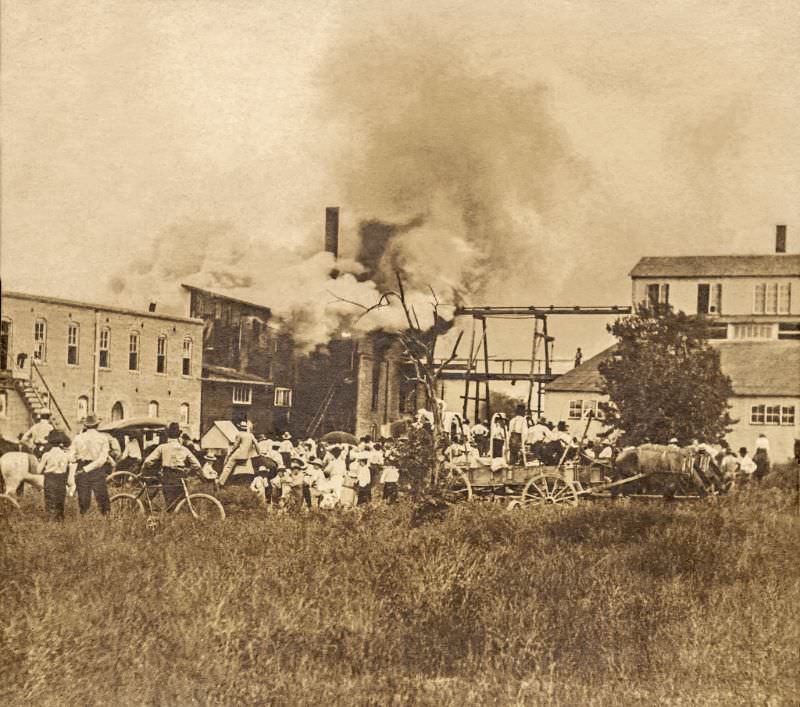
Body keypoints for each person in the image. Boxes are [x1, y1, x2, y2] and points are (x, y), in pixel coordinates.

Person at [142, 422, 202, 511]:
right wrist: (189, 471)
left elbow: (148, 461)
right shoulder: (184, 449)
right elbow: (197, 465)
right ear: (179, 436)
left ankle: (168, 514)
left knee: (169, 500)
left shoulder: (162, 447)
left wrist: (146, 468)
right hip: (180, 476)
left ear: (168, 435)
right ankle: (177, 516)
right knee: (180, 500)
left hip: (167, 475)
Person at [68, 413, 111, 515]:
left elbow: (70, 457)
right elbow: (102, 459)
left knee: (83, 499)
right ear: (97, 425)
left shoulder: (78, 438)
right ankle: (106, 519)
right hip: (97, 470)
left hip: (81, 468)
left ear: (85, 425)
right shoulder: (103, 438)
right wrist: (88, 467)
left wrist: (78, 460)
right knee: (102, 498)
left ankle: (84, 519)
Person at [38, 429, 74, 521]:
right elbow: (68, 467)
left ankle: (50, 519)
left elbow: (38, 471)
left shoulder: (46, 455)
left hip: (50, 479)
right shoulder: (65, 455)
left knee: (50, 500)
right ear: (61, 441)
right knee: (60, 500)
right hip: (61, 479)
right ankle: (60, 520)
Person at [219, 420, 259, 486]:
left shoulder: (239, 434)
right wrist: (259, 453)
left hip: (239, 454)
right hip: (246, 455)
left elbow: (235, 445)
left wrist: (231, 453)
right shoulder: (251, 435)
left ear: (240, 427)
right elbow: (256, 444)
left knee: (228, 466)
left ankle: (221, 482)